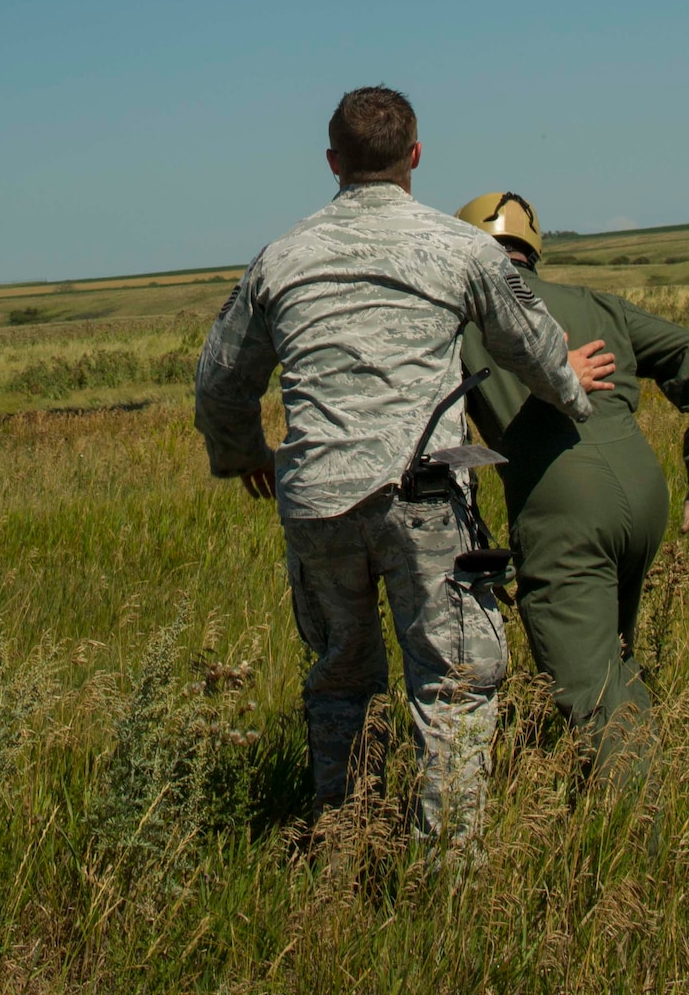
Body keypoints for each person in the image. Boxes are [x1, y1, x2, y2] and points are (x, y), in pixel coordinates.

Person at [193, 88, 616, 848]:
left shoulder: (280, 256)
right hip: (422, 497)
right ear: (415, 156)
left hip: (316, 502)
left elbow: (220, 379)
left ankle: (342, 850)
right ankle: (448, 876)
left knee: (340, 683)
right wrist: (569, 385)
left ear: (332, 163)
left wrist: (244, 456)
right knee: (453, 682)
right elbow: (530, 337)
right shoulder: (460, 249)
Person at [456, 191, 689, 783]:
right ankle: (652, 773)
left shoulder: (464, 317)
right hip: (642, 491)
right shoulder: (596, 304)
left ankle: (636, 842)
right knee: (614, 656)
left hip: (562, 505)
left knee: (590, 694)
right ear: (533, 249)